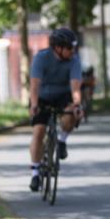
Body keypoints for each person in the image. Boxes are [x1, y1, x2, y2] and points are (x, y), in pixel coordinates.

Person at [28, 28, 83, 192]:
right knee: (39, 131)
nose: (72, 52)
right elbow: (35, 85)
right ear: (58, 48)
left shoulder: (74, 60)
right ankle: (35, 173)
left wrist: (77, 105)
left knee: (71, 114)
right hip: (42, 96)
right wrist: (34, 105)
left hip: (63, 96)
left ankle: (62, 141)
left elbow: (75, 88)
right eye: (69, 48)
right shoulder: (41, 58)